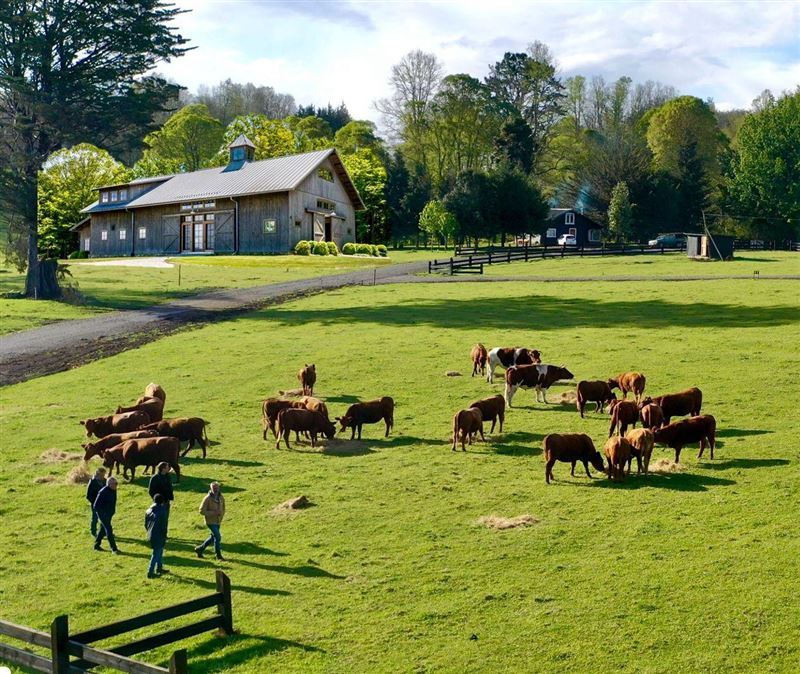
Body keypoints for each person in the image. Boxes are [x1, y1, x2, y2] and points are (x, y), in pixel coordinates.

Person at [195, 482, 225, 560]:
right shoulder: (207, 499)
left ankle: (200, 549)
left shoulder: (221, 497)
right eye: (214, 488)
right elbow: (201, 511)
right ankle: (218, 556)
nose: (216, 490)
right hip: (210, 522)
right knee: (218, 537)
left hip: (218, 520)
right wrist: (213, 513)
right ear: (211, 489)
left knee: (213, 537)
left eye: (217, 488)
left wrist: (221, 514)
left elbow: (223, 507)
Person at [145, 493, 169, 578]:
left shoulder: (149, 510)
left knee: (159, 551)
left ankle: (159, 567)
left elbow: (146, 524)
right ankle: (150, 571)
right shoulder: (162, 510)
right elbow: (164, 525)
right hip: (159, 534)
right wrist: (165, 534)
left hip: (150, 534)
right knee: (156, 553)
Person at [93, 477, 119, 554]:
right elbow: (96, 506)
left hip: (109, 513)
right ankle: (114, 548)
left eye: (116, 483)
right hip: (103, 514)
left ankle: (96, 545)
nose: (116, 485)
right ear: (109, 484)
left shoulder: (114, 490)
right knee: (109, 529)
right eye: (115, 484)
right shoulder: (103, 492)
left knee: (102, 529)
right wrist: (103, 515)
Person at [148, 462, 174, 529]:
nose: (169, 468)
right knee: (158, 519)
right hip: (159, 502)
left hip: (166, 500)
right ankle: (158, 533)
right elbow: (151, 491)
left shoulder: (168, 476)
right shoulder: (155, 478)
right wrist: (157, 499)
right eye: (167, 467)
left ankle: (164, 534)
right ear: (163, 469)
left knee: (165, 519)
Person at [86, 467, 107, 536]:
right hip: (96, 504)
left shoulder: (105, 481)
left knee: (105, 519)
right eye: (102, 475)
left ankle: (105, 532)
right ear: (97, 474)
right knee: (95, 518)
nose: (103, 477)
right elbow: (88, 496)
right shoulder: (92, 482)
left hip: (104, 504)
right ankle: (93, 531)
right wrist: (95, 502)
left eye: (104, 475)